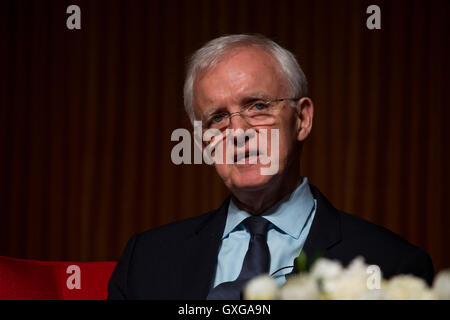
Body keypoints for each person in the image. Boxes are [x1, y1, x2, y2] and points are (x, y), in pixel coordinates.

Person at [108, 34, 434, 300]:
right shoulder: (146, 260)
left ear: (302, 119)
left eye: (258, 106)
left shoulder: (393, 266)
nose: (238, 133)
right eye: (217, 118)